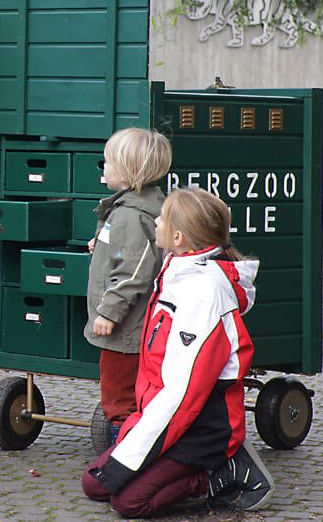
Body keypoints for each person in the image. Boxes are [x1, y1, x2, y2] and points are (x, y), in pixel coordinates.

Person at [82, 187, 275, 517]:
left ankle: (220, 474)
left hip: (200, 428)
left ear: (178, 237)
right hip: (167, 414)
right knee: (94, 485)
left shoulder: (204, 292)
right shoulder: (176, 266)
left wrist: (139, 446)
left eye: (162, 218)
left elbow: (185, 394)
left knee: (129, 503)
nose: (155, 221)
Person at [84, 128, 172, 445]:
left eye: (108, 162)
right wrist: (100, 244)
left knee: (119, 400)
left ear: (127, 172)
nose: (104, 167)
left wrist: (109, 312)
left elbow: (134, 271)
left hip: (126, 331)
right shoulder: (136, 209)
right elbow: (131, 252)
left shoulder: (131, 216)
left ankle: (123, 453)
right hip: (133, 327)